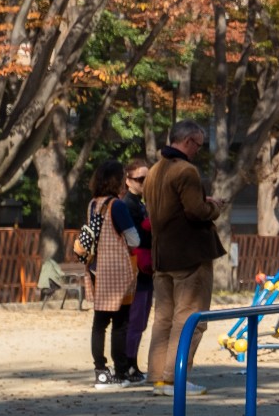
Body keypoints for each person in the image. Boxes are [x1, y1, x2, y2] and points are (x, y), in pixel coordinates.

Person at [142, 121, 224, 396]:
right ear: (188, 141)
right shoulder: (185, 170)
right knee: (190, 318)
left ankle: (158, 377)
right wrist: (214, 207)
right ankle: (176, 377)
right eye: (198, 145)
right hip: (189, 255)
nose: (198, 151)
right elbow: (196, 212)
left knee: (164, 318)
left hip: (162, 256)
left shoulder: (153, 171)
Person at [79, 161, 141, 387]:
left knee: (99, 323)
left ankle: (100, 371)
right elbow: (134, 239)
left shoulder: (92, 204)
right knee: (120, 323)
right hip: (117, 273)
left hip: (96, 270)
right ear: (116, 181)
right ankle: (121, 371)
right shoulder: (117, 206)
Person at [119, 161, 153, 374]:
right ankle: (128, 363)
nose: (144, 183)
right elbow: (135, 238)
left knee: (140, 320)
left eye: (147, 179)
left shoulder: (140, 204)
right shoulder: (127, 205)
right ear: (128, 180)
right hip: (135, 268)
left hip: (145, 268)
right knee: (134, 319)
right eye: (140, 179)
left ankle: (131, 362)